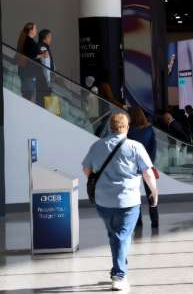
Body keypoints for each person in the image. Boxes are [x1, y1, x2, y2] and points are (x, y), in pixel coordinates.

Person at [82, 112, 158, 291]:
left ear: (110, 127)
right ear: (127, 127)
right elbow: (148, 173)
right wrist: (154, 192)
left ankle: (119, 267)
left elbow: (87, 170)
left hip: (103, 202)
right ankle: (119, 275)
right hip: (128, 201)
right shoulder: (135, 146)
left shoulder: (97, 145)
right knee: (121, 236)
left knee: (114, 235)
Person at [127, 106, 159, 229]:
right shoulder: (149, 130)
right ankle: (154, 221)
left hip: (132, 168)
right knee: (152, 193)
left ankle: (138, 221)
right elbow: (153, 149)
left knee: (135, 195)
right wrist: (149, 165)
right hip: (147, 167)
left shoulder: (129, 131)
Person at [16, 22, 47, 101]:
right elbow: (31, 55)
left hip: (29, 73)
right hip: (28, 73)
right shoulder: (28, 41)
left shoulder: (28, 40)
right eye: (35, 28)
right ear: (31, 30)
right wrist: (42, 55)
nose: (36, 30)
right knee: (27, 97)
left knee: (29, 96)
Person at [36, 29, 55, 105]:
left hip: (41, 81)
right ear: (46, 37)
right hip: (43, 82)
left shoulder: (41, 46)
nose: (51, 39)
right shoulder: (43, 48)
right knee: (43, 104)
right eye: (50, 37)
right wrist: (48, 81)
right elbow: (45, 64)